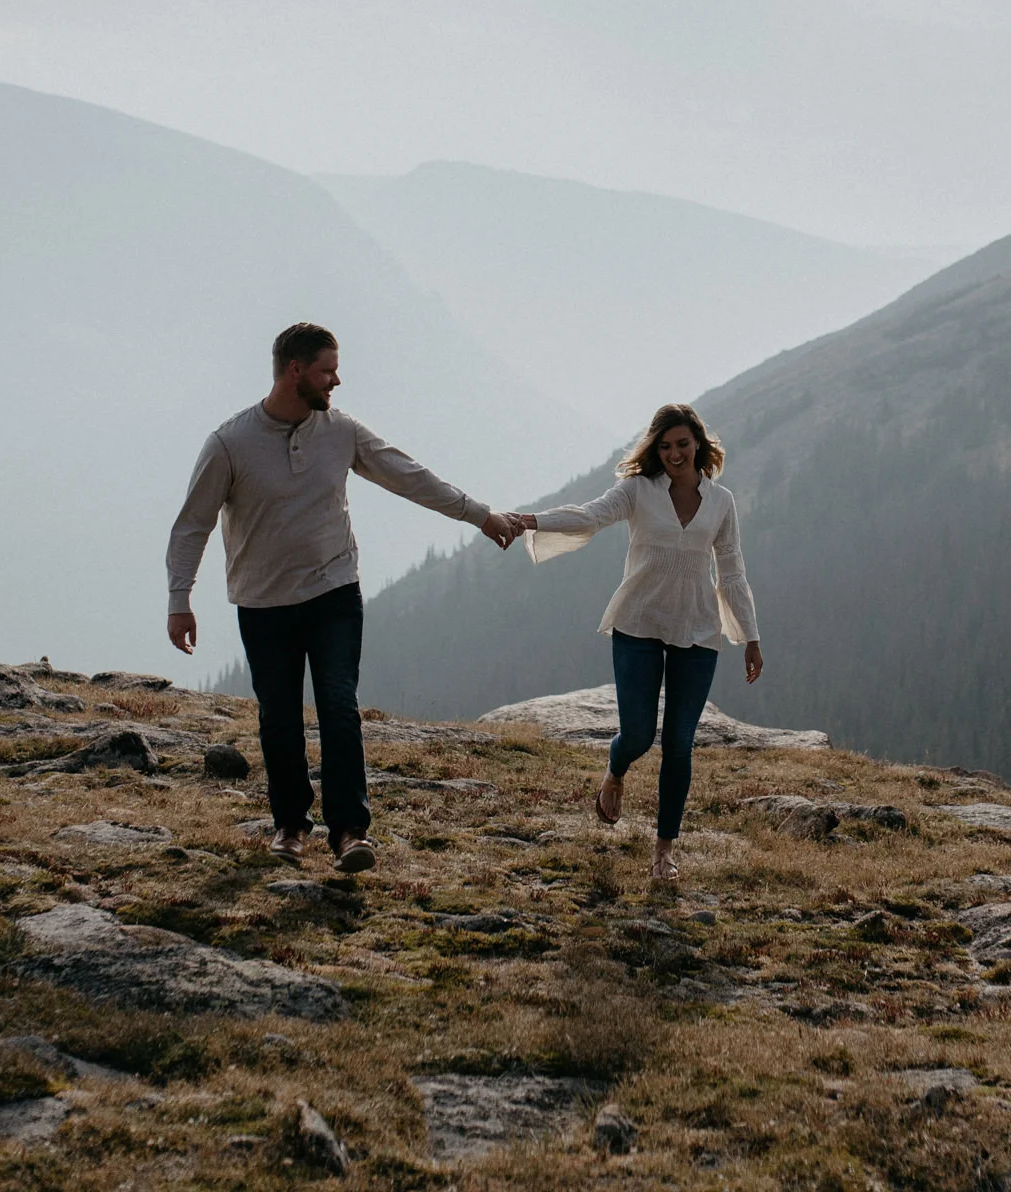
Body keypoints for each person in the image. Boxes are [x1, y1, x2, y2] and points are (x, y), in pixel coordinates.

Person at [166, 322, 523, 872]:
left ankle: (350, 832)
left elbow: (410, 475)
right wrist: (180, 599)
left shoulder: (342, 431)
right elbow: (193, 525)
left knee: (338, 706)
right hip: (264, 604)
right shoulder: (230, 443)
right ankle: (289, 827)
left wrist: (480, 515)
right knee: (279, 716)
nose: (337, 380)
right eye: (328, 370)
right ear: (295, 371)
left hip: (334, 591)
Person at [514, 402, 763, 882]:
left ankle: (663, 852)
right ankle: (615, 770)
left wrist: (750, 636)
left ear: (699, 444)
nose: (674, 454)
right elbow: (590, 516)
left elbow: (732, 572)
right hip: (638, 623)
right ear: (655, 449)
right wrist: (532, 520)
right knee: (637, 735)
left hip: (698, 630)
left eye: (683, 444)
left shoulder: (722, 501)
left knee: (679, 744)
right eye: (665, 446)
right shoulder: (636, 490)